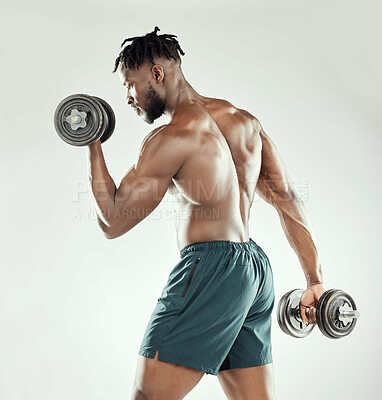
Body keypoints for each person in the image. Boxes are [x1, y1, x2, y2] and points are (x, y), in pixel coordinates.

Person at [86, 26, 325, 400]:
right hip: (255, 271)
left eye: (129, 85)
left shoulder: (172, 138)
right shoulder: (244, 121)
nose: (129, 98)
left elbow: (112, 222)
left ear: (157, 74)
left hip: (210, 269)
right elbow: (287, 197)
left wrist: (91, 142)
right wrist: (314, 280)